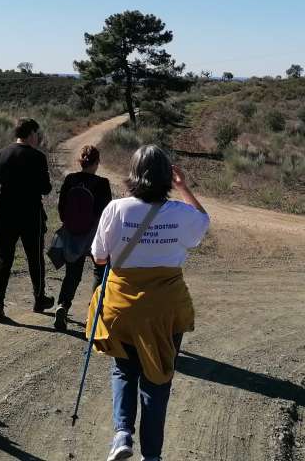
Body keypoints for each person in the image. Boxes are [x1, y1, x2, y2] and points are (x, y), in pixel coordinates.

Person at [87, 145, 209, 461]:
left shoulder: (116, 209)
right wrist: (183, 187)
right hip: (165, 309)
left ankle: (122, 435)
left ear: (133, 174)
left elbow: (99, 257)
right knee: (158, 379)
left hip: (121, 306)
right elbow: (202, 225)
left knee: (124, 370)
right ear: (167, 176)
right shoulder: (181, 214)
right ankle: (151, 456)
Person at [0, 117, 53, 322]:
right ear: (31, 133)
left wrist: (1, 198)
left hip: (6, 214)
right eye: (37, 134)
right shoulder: (38, 157)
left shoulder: (1, 154)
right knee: (35, 258)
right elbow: (46, 188)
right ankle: (39, 299)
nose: (38, 138)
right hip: (31, 214)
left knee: (3, 258)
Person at [52, 144, 113, 331]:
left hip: (73, 233)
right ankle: (92, 315)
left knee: (72, 273)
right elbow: (107, 213)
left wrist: (71, 225)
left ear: (80, 162)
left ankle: (63, 305)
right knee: (99, 272)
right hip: (95, 235)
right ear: (96, 162)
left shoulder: (70, 179)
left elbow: (62, 209)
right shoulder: (102, 183)